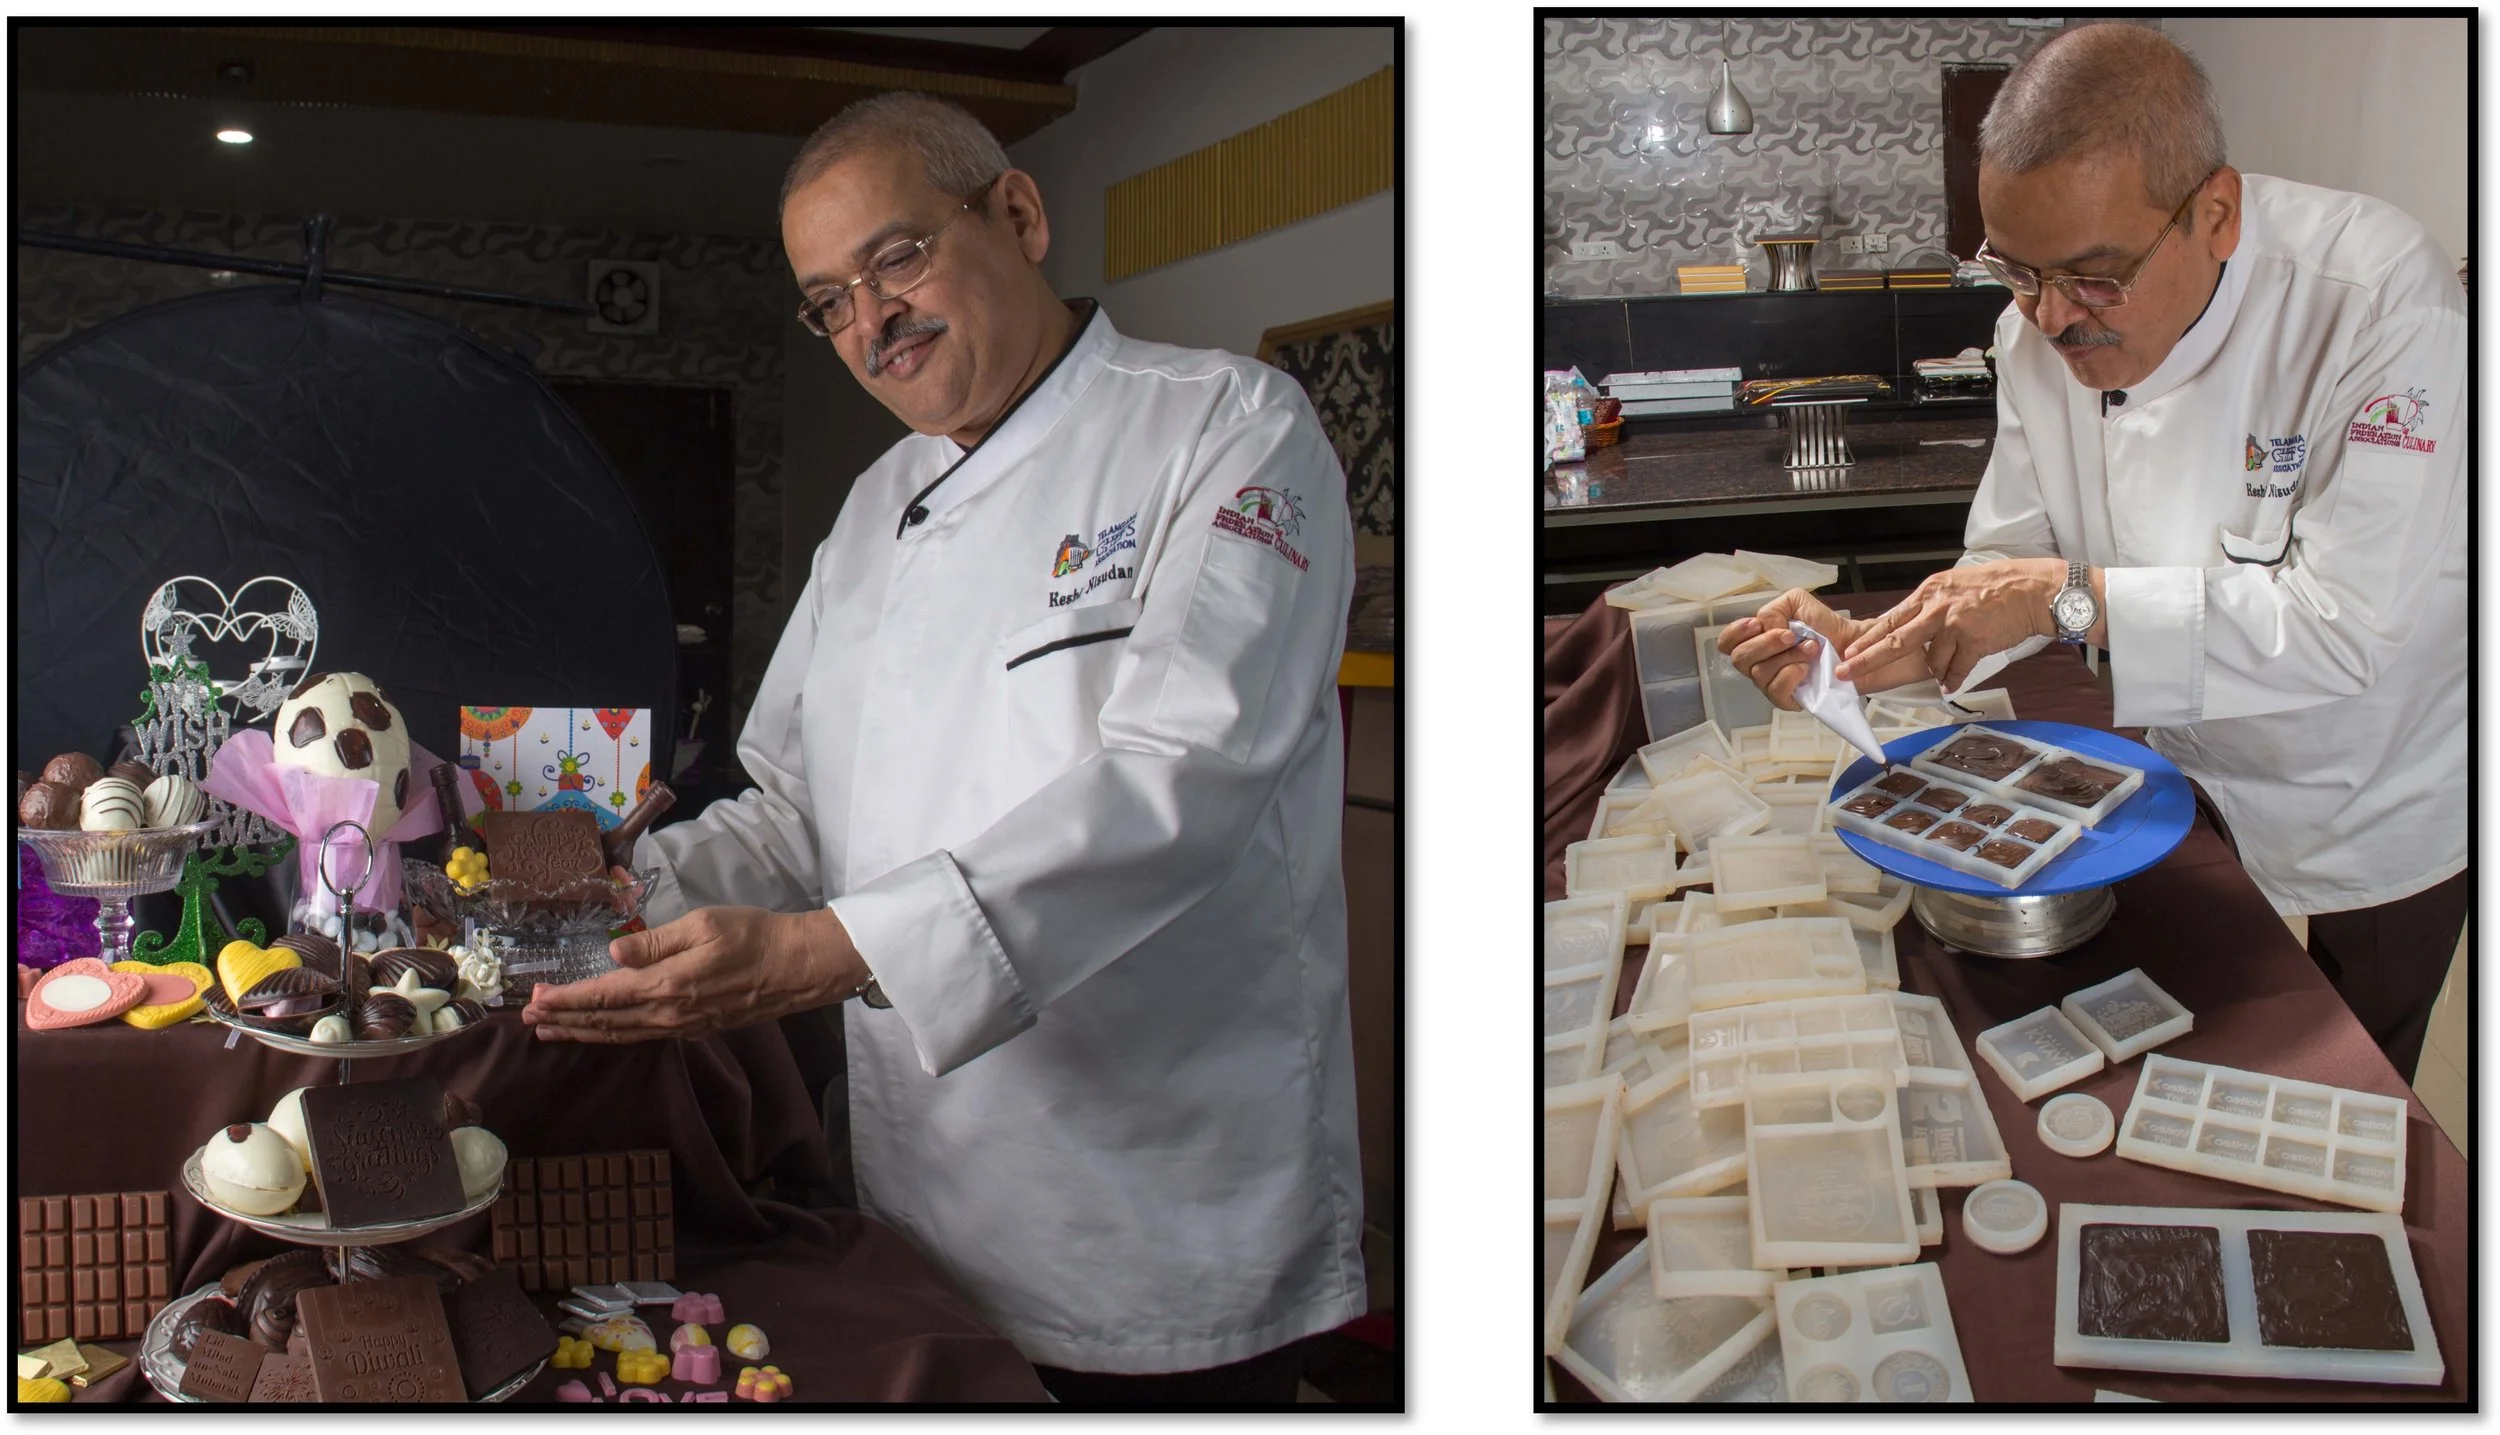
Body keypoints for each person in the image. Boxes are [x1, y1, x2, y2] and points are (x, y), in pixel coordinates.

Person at [522, 91, 1365, 1403]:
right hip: (925, 1185)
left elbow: (1187, 776)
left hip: (1165, 1191)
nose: (871, 321)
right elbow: (795, 807)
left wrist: (825, 951)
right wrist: (617, 901)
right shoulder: (874, 509)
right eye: (828, 299)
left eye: (897, 257)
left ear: (1018, 214)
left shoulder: (1224, 428)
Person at [1720, 23, 2465, 1077]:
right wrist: (1877, 650)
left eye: (2093, 278)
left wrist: (2063, 596)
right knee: (2196, 1050)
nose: (2050, 317)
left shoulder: (2377, 298)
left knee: (2347, 1088)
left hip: (2367, 789)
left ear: (2213, 214)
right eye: (2014, 272)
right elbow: (2009, 565)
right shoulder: (2033, 328)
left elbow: (2345, 629)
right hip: (2180, 778)